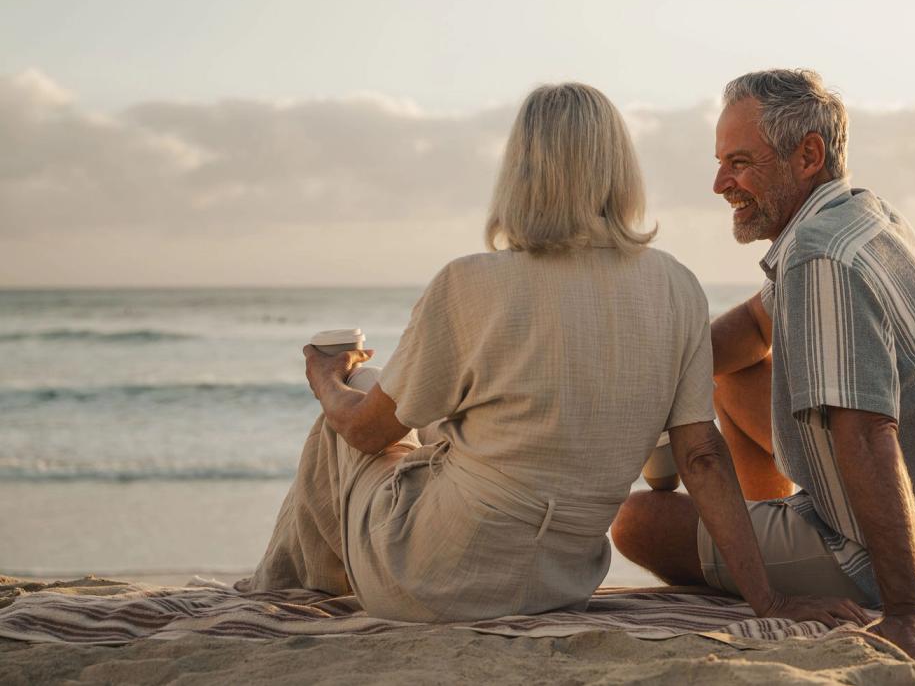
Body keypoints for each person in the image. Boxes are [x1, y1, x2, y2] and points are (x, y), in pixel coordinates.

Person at [238, 82, 868, 628]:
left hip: (431, 580)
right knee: (449, 424)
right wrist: (769, 600)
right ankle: (286, 585)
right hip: (558, 586)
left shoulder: (468, 284)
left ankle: (281, 592)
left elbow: (366, 429)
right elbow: (698, 457)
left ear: (520, 170)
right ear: (620, 171)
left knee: (345, 418)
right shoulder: (675, 286)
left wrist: (327, 379)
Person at [611, 69, 915, 660]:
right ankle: (763, 534)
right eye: (722, 161)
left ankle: (783, 564)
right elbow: (751, 329)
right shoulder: (857, 217)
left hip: (908, 567)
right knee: (733, 376)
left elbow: (870, 435)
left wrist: (907, 609)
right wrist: (653, 380)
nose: (721, 182)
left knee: (636, 522)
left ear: (808, 155)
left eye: (741, 162)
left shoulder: (818, 258)